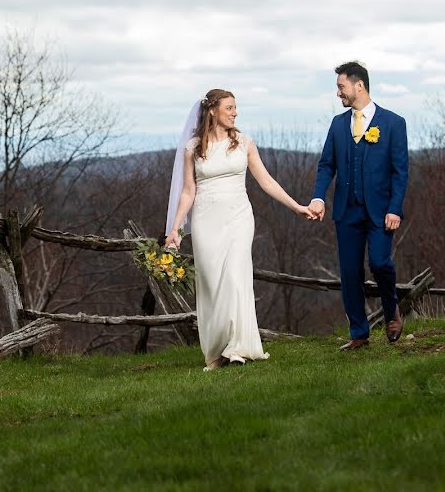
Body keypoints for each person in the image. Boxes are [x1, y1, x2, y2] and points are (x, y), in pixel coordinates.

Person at [165, 89, 314, 371]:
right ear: (213, 111)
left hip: (238, 218)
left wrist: (297, 206)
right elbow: (187, 191)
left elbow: (266, 182)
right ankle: (216, 351)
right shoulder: (194, 148)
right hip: (206, 221)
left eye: (236, 108)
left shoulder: (244, 143)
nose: (235, 113)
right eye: (230, 108)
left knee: (235, 276)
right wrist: (175, 229)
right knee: (211, 285)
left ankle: (237, 347)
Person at [309, 61, 409, 350]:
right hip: (346, 210)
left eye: (341, 87)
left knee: (380, 263)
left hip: (380, 211)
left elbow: (400, 172)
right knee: (350, 273)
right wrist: (318, 196)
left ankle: (392, 310)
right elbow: (326, 164)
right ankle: (359, 334)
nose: (338, 93)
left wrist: (395, 208)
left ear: (359, 85)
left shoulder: (393, 123)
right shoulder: (338, 124)